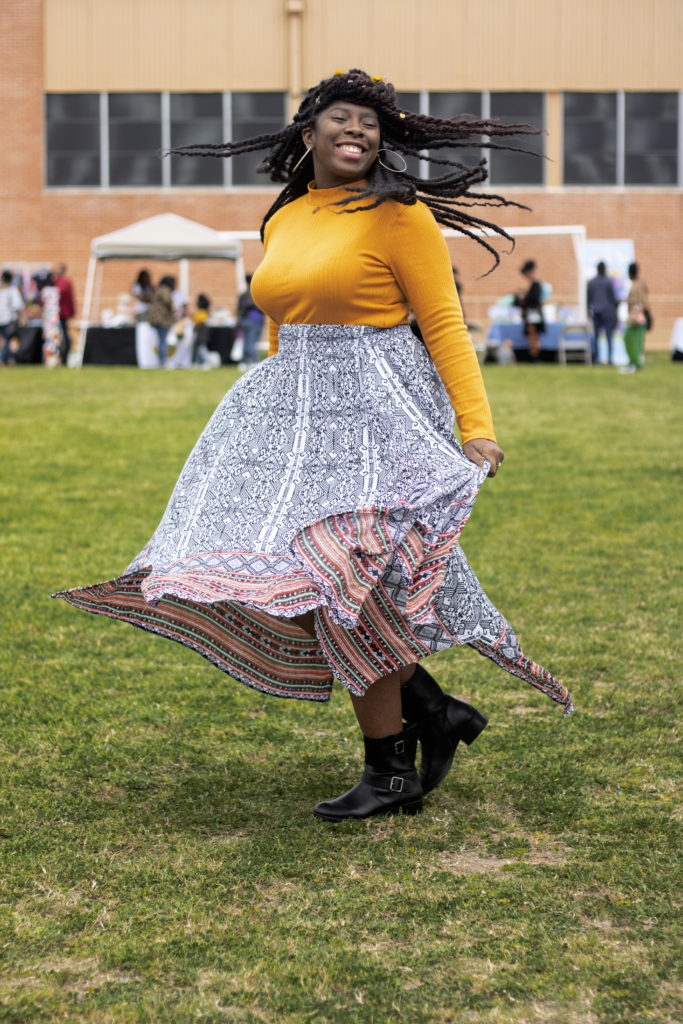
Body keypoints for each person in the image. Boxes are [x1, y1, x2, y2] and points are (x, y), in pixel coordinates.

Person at [55, 70, 572, 822]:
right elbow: (281, 317)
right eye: (341, 119)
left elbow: (445, 326)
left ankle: (391, 767)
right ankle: (429, 708)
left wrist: (476, 429)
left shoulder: (400, 215)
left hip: (374, 416)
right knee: (267, 572)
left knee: (339, 581)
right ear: (309, 135)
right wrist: (277, 394)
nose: (356, 131)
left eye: (370, 122)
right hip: (291, 409)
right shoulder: (286, 217)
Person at [587, 262, 618, 364]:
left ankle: (596, 359)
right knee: (609, 336)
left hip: (596, 312)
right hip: (607, 312)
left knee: (596, 337)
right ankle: (609, 359)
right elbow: (613, 299)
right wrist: (614, 313)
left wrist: (588, 311)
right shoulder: (609, 282)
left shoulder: (591, 282)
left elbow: (588, 299)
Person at [621, 262, 649, 374]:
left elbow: (642, 302)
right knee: (628, 339)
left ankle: (636, 364)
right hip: (633, 317)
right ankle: (632, 362)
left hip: (637, 318)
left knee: (635, 342)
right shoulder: (636, 284)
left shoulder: (639, 285)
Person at [514, 259, 545, 359]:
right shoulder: (534, 285)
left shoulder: (536, 285)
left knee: (533, 336)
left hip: (533, 314)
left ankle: (534, 356)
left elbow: (532, 300)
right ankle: (534, 355)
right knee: (532, 336)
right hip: (533, 314)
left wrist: (523, 298)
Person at [145, 275, 175, 367]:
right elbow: (168, 302)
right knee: (163, 341)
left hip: (156, 319)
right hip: (162, 320)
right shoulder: (165, 290)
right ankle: (163, 362)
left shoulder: (157, 290)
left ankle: (161, 360)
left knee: (161, 340)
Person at [236, 274, 265, 370]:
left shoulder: (243, 295)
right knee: (252, 342)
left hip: (244, 320)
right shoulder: (257, 294)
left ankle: (244, 362)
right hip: (255, 320)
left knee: (246, 341)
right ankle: (253, 361)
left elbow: (238, 309)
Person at [53, 264, 76, 366]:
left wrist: (70, 311)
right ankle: (57, 356)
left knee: (63, 336)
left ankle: (64, 357)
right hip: (56, 313)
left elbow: (67, 298)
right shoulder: (57, 282)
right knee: (57, 336)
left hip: (62, 314)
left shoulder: (63, 283)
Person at [0, 270, 24, 366]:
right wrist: (22, 316)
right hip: (7, 318)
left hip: (2, 318)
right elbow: (18, 305)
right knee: (8, 338)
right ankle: (2, 359)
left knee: (5, 338)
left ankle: (10, 359)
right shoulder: (12, 290)